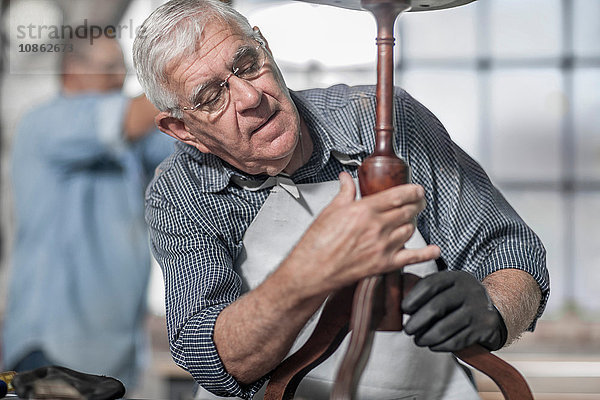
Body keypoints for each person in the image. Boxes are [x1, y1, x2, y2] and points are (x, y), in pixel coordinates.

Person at [132, 0, 549, 398]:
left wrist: (492, 306)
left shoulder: (384, 118)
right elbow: (211, 356)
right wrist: (309, 271)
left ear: (266, 48)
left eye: (246, 64)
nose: (250, 98)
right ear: (182, 129)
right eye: (211, 97)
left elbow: (511, 252)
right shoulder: (178, 192)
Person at [2, 33, 173, 389]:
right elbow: (136, 114)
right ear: (71, 70)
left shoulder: (130, 146)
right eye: (108, 68)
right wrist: (184, 70)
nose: (118, 79)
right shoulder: (46, 123)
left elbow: (181, 141)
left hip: (114, 356)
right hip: (51, 350)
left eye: (122, 69)